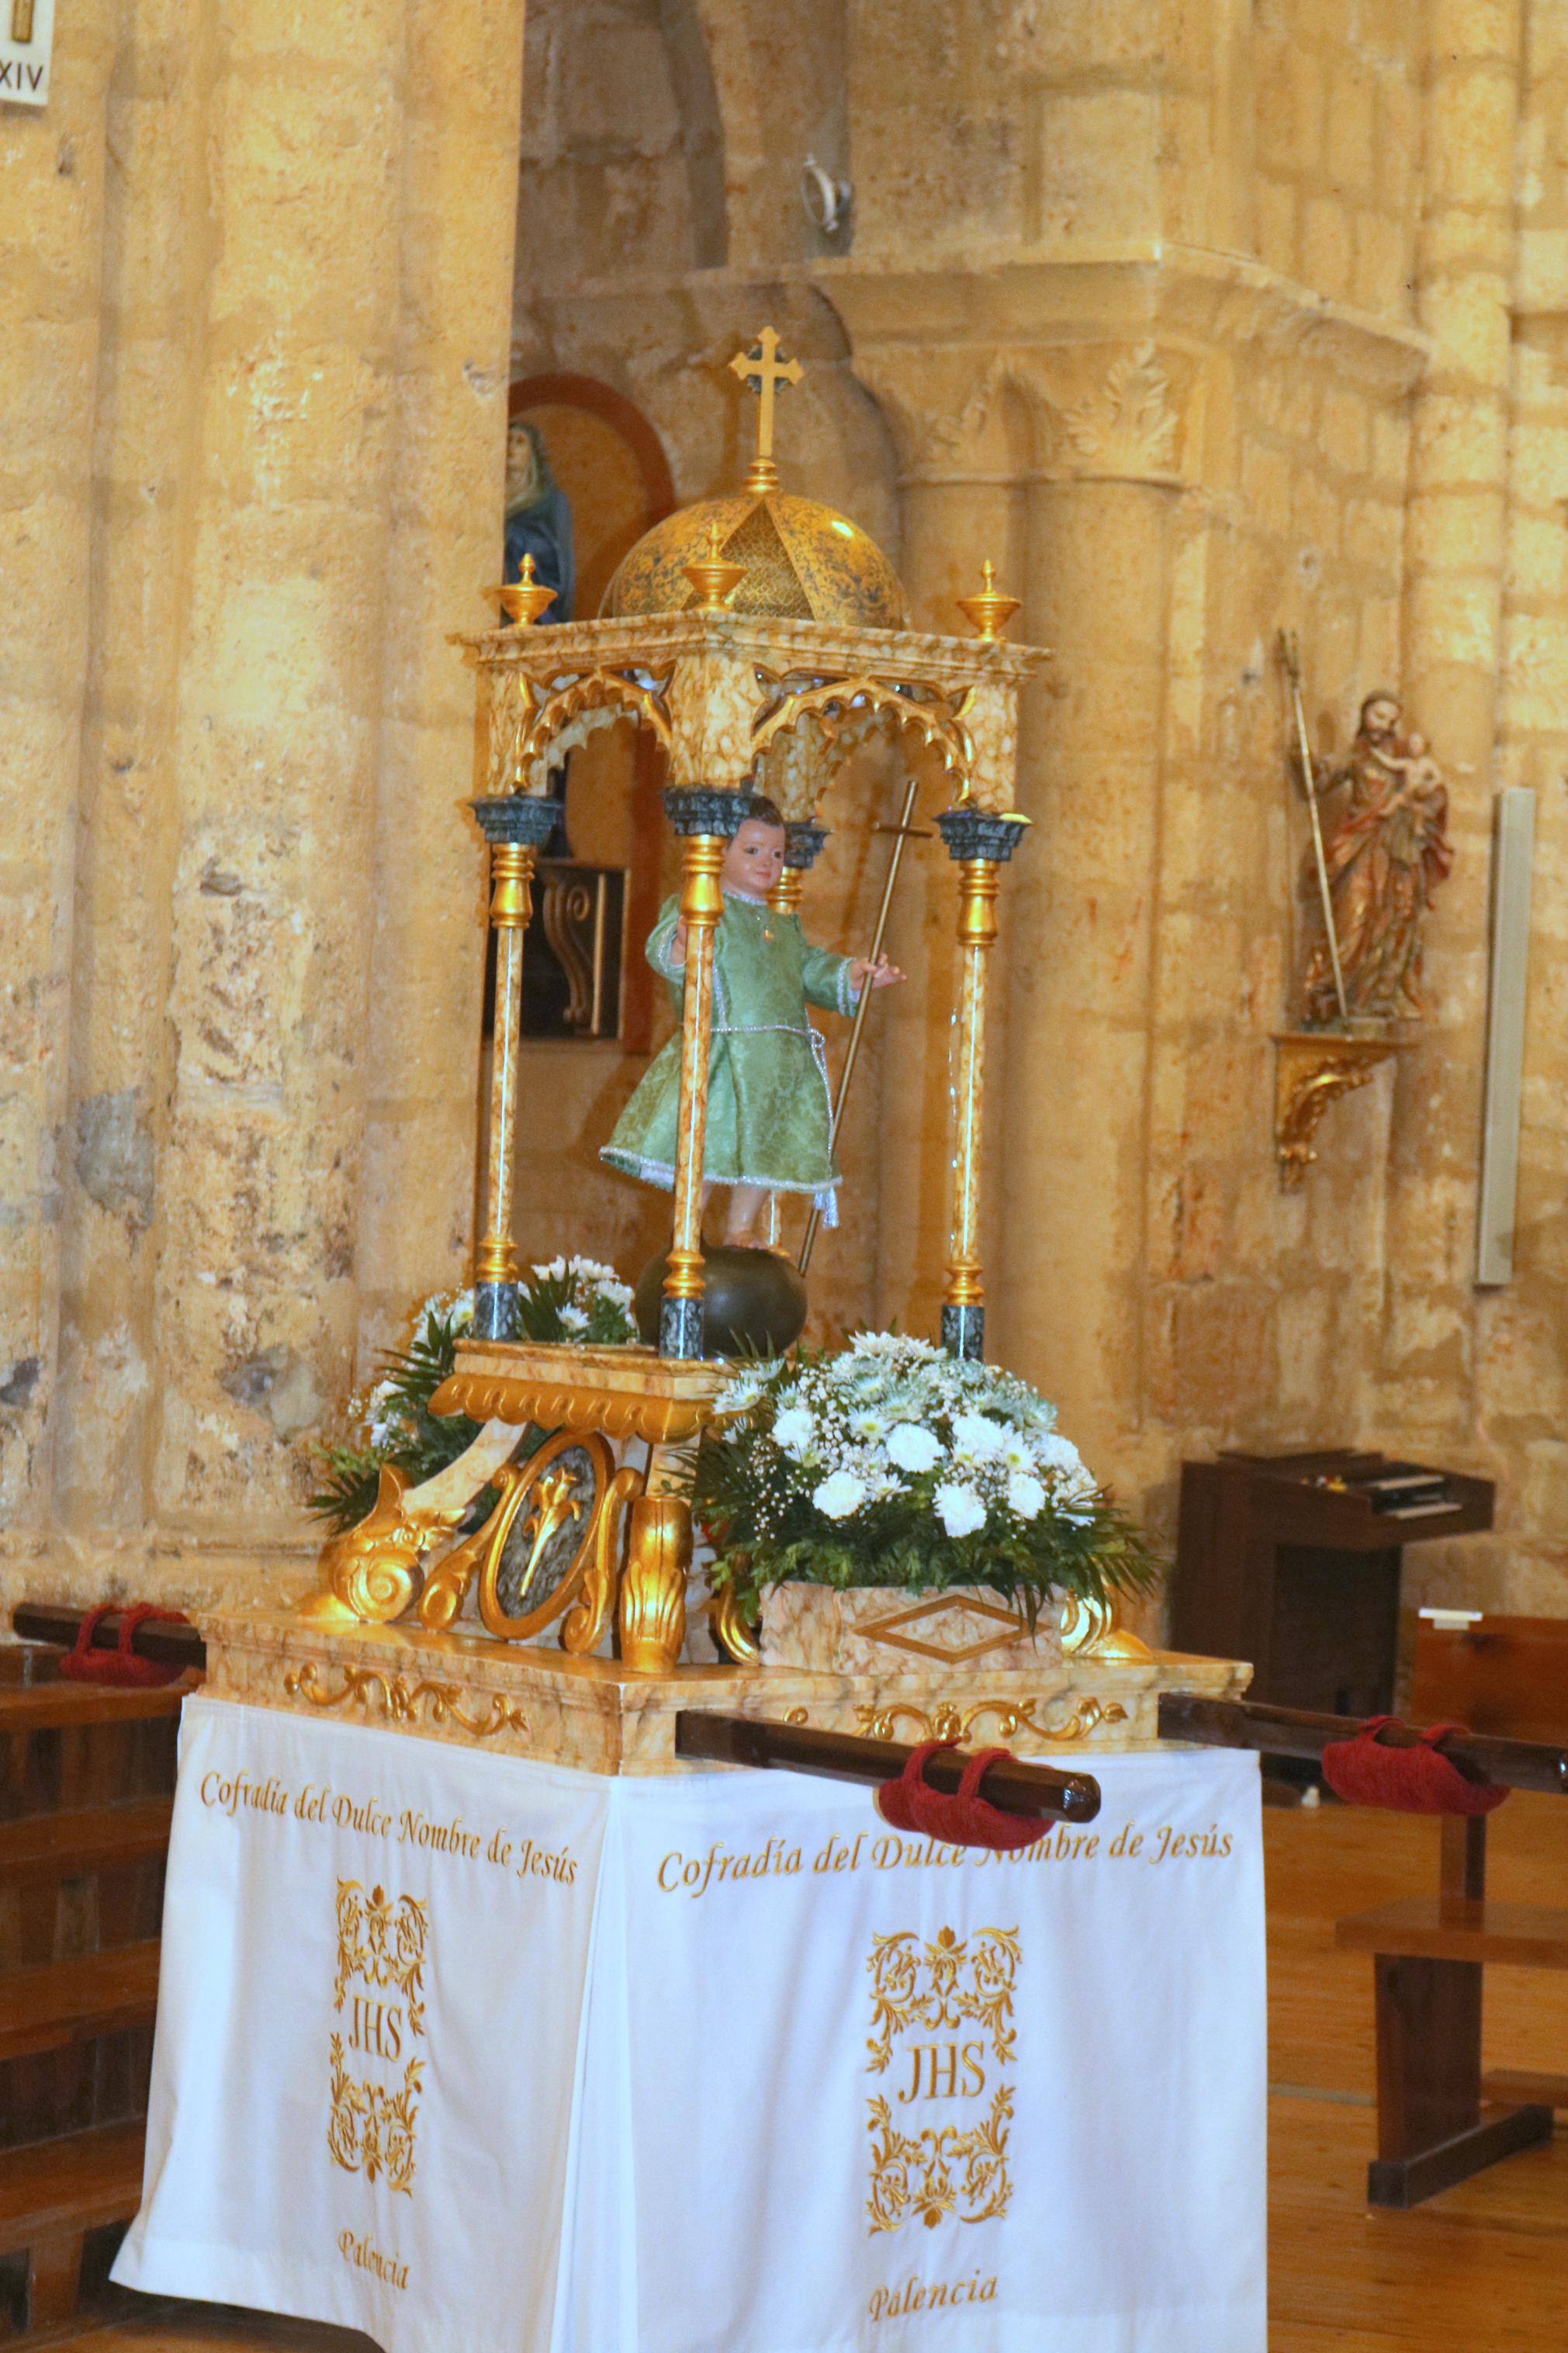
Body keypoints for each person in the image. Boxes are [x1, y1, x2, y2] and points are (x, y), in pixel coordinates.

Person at [601, 801, 902, 1246]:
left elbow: (808, 969)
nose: (768, 864)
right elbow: (664, 955)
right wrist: (684, 942)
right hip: (724, 1051)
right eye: (753, 851)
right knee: (707, 1143)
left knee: (769, 1149)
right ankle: (687, 1226)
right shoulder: (703, 907)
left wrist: (853, 974)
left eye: (777, 855)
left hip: (780, 1062)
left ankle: (740, 1226)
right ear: (720, 852)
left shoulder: (784, 928)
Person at [1301, 693, 1452, 1026]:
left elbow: (1437, 794)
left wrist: (1418, 810)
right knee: (1352, 920)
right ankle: (1328, 994)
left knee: (1392, 920)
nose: (1382, 725)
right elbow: (1322, 782)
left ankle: (1375, 999)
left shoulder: (1403, 758)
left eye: (1389, 719)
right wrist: (1306, 760)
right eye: (1377, 716)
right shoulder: (1358, 757)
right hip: (1361, 845)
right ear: (1364, 714)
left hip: (1396, 854)